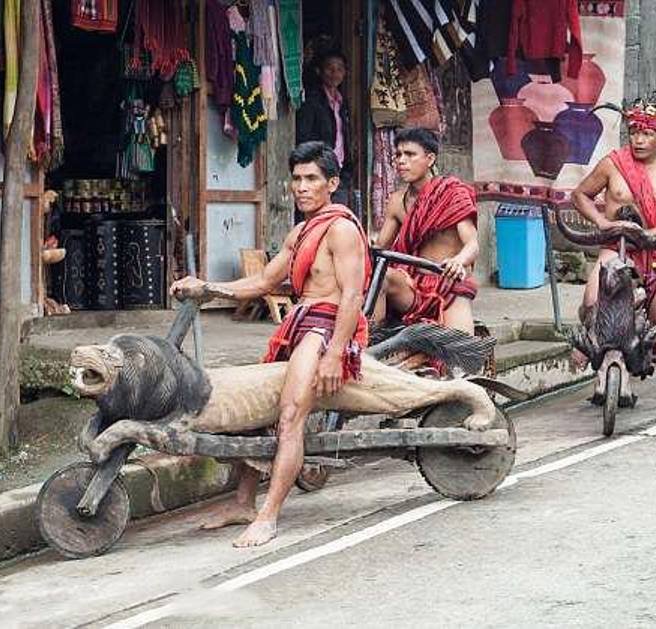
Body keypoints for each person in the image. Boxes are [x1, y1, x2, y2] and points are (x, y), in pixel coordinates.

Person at [170, 141, 371, 547]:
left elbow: (352, 296)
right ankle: (244, 502)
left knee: (290, 416)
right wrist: (207, 288)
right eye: (296, 179)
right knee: (260, 414)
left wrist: (334, 355)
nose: (301, 187)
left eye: (312, 178)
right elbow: (263, 283)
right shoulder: (301, 231)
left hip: (324, 331)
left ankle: (268, 515)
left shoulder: (343, 229)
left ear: (331, 183)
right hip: (298, 326)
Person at [570, 93, 656, 417]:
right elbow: (581, 195)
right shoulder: (612, 164)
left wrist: (651, 235)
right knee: (590, 303)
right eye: (634, 132)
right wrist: (602, 222)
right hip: (617, 247)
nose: (639, 140)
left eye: (647, 134)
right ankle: (589, 346)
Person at [375, 127, 480, 338]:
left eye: (410, 155)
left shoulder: (452, 193)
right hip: (411, 287)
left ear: (430, 158)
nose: (401, 161)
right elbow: (379, 250)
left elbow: (473, 245)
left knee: (460, 358)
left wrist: (458, 261)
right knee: (379, 276)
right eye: (398, 155)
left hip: (448, 286)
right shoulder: (396, 201)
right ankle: (368, 340)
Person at [296, 50, 353, 207]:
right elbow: (303, 136)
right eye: (330, 68)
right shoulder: (312, 100)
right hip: (317, 168)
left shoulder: (342, 102)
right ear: (319, 71)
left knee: (336, 216)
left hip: (339, 170)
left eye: (340, 69)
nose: (335, 73)